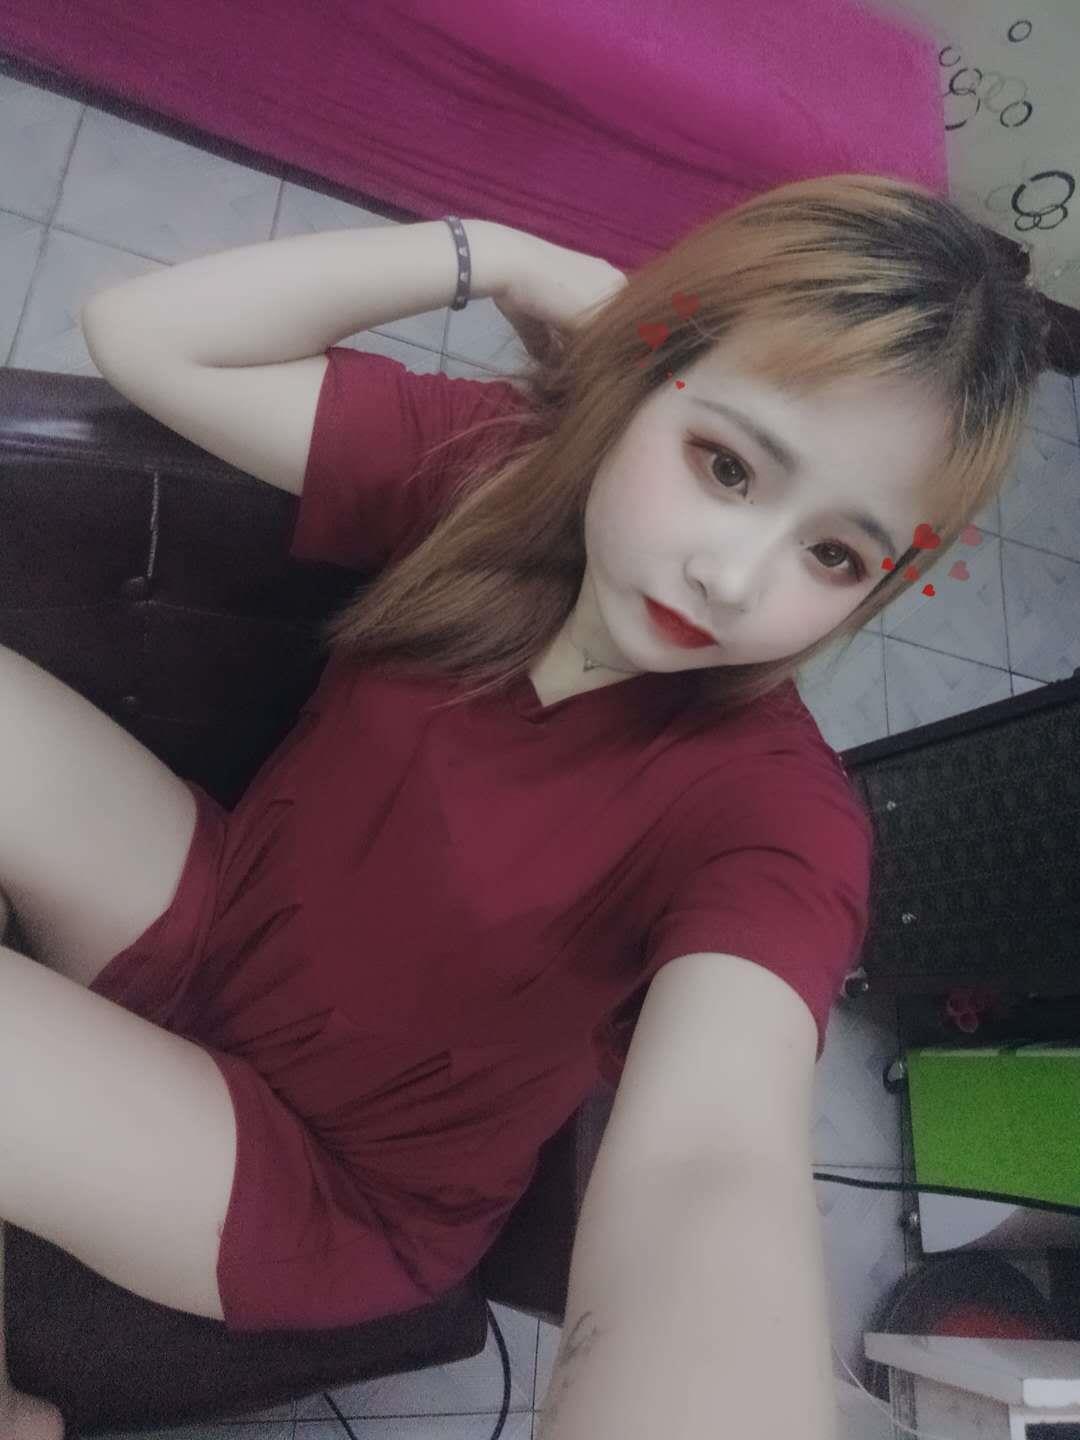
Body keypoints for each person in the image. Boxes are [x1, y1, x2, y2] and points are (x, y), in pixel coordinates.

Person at [1, 173, 1051, 1439]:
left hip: (320, 1177)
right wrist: (499, 255)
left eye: (834, 554)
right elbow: (143, 334)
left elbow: (712, 1161)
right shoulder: (502, 477)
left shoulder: (775, 817)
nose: (732, 577)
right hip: (219, 913)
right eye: (726, 465)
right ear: (643, 376)